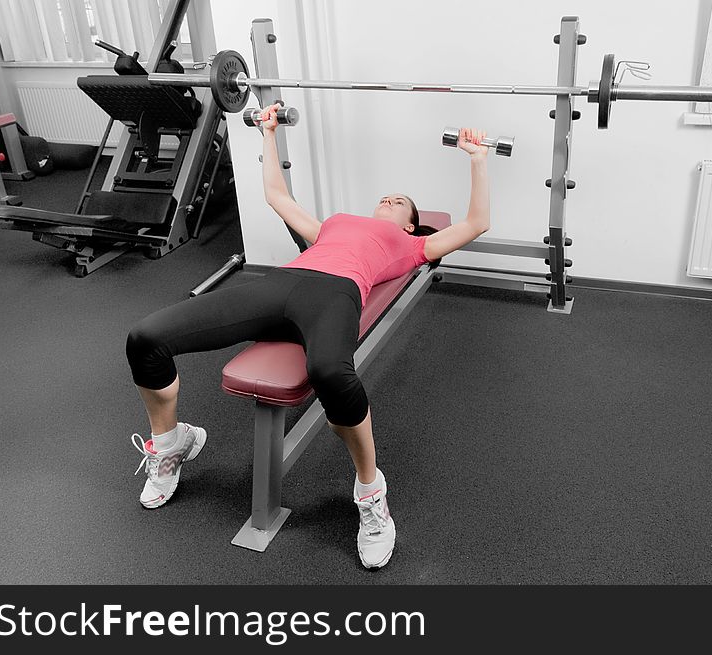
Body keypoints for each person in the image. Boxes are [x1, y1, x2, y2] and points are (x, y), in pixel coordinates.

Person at [125, 103, 491, 569]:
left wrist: (478, 159)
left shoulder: (414, 244)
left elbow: (477, 223)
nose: (390, 199)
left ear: (410, 224)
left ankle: (370, 492)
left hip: (335, 295)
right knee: (145, 338)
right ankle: (172, 441)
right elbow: (277, 196)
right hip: (282, 282)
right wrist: (269, 133)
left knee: (330, 374)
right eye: (386, 195)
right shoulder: (331, 226)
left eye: (401, 202)